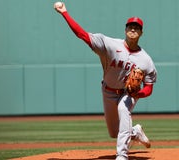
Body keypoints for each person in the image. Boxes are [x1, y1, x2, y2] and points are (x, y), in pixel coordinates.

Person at [54, 2, 157, 160]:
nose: (133, 29)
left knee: (124, 110)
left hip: (127, 94)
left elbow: (149, 87)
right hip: (108, 90)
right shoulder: (109, 44)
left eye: (137, 27)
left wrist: (138, 93)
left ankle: (122, 155)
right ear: (125, 29)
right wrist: (65, 13)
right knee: (114, 132)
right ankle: (136, 132)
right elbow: (82, 35)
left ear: (141, 33)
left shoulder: (146, 60)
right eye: (130, 26)